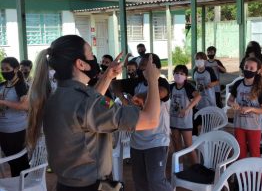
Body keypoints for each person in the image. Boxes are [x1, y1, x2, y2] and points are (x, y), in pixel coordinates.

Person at [26, 35, 161, 191]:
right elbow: (150, 120)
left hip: (66, 184)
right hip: (89, 185)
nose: (94, 59)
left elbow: (88, 110)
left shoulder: (58, 96)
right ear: (81, 64)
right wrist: (153, 80)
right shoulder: (85, 102)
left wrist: (108, 76)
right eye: (90, 54)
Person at [112, 53, 172, 191]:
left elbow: (162, 92)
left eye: (144, 66)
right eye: (140, 66)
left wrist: (142, 96)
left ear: (154, 68)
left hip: (156, 141)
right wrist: (123, 99)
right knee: (140, 182)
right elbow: (115, 84)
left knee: (156, 181)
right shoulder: (136, 82)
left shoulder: (161, 82)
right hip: (136, 142)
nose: (141, 69)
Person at [227, 57, 262, 159]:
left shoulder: (259, 88)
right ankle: (242, 174)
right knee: (240, 154)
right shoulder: (238, 84)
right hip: (239, 125)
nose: (248, 70)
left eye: (251, 68)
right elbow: (229, 101)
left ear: (257, 71)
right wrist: (233, 104)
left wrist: (251, 109)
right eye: (246, 67)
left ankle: (256, 175)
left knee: (255, 154)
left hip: (253, 127)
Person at [0, 57, 29, 176]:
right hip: (3, 129)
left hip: (16, 130)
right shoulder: (2, 85)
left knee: (20, 162)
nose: (4, 71)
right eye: (2, 69)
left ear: (16, 69)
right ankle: (18, 184)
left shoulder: (21, 85)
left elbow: (25, 106)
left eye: (7, 69)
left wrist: (3, 102)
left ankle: (25, 185)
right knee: (12, 161)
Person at [170, 65, 201, 168]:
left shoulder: (188, 87)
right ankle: (179, 169)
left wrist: (187, 109)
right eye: (177, 73)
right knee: (177, 146)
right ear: (173, 74)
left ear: (186, 76)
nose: (179, 75)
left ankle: (197, 169)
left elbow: (198, 96)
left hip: (185, 122)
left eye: (182, 74)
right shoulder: (171, 87)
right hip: (173, 121)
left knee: (189, 146)